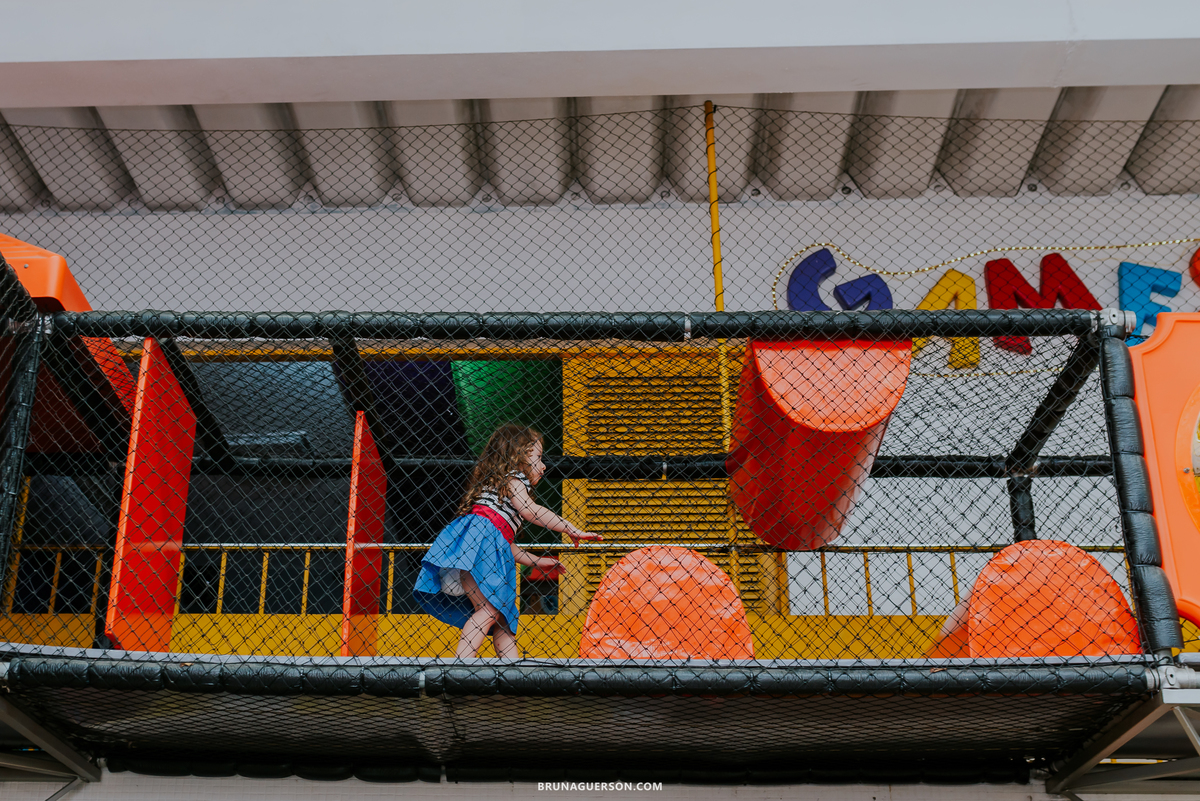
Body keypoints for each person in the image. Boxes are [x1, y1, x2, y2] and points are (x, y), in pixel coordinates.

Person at [414, 424, 602, 658]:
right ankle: (459, 668)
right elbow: (530, 510)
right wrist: (570, 528)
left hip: (481, 554)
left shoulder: (497, 498)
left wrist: (536, 561)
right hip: (479, 554)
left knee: (502, 617)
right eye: (538, 457)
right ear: (517, 456)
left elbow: (504, 545)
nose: (544, 466)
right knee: (488, 611)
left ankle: (511, 673)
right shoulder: (512, 480)